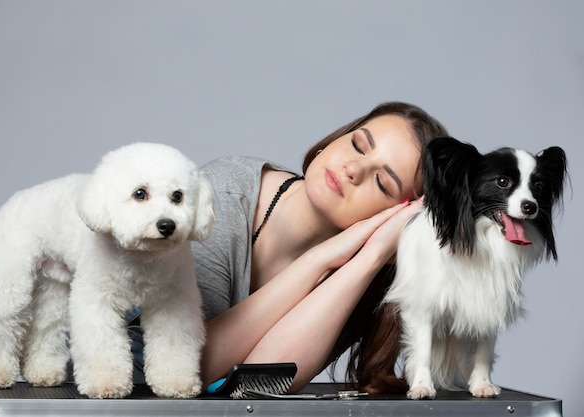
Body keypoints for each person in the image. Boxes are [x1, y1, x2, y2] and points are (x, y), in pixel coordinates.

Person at [192, 101, 449, 393]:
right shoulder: (219, 197)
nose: (353, 168)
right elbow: (189, 367)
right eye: (358, 144)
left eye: (381, 182)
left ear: (396, 217)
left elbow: (253, 389)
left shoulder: (360, 282)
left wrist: (371, 256)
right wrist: (321, 258)